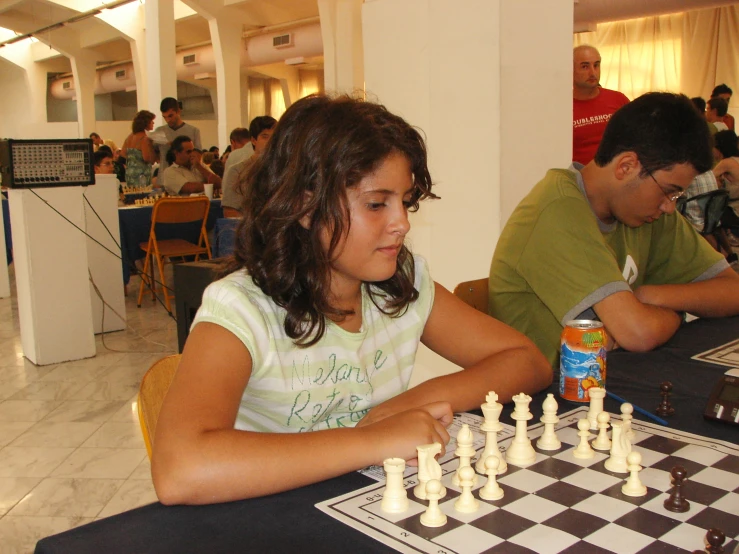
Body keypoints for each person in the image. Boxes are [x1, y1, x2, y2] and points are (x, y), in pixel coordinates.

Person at [151, 94, 552, 505]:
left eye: (405, 201)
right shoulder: (242, 309)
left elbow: (527, 360)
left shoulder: (400, 284)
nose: (402, 223)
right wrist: (372, 439)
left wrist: (416, 401)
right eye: (377, 204)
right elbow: (179, 470)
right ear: (305, 205)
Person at [489, 92, 739, 368]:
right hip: (549, 396)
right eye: (669, 192)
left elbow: (732, 289)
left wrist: (652, 297)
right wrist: (676, 312)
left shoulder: (649, 212)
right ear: (626, 166)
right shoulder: (557, 211)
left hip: (613, 379)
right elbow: (638, 333)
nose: (670, 207)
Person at [572, 45, 630, 165]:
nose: (592, 72)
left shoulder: (618, 99)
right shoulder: (563, 107)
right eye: (585, 66)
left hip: (618, 173)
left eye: (596, 65)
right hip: (578, 176)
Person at [222, 117, 276, 217]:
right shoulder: (237, 171)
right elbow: (230, 212)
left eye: (274, 137)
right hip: (247, 227)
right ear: (253, 140)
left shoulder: (283, 170)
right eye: (265, 136)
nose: (270, 141)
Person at [152, 97, 202, 175]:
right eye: (164, 117)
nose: (168, 120)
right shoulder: (159, 131)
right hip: (164, 177)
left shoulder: (193, 131)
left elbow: (198, 156)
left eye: (170, 116)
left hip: (187, 176)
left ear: (178, 111)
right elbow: (153, 155)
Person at [121, 110, 157, 187]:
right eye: (152, 121)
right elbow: (147, 158)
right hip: (141, 174)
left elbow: (123, 154)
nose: (153, 123)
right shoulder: (145, 138)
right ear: (146, 123)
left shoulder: (130, 136)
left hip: (130, 173)